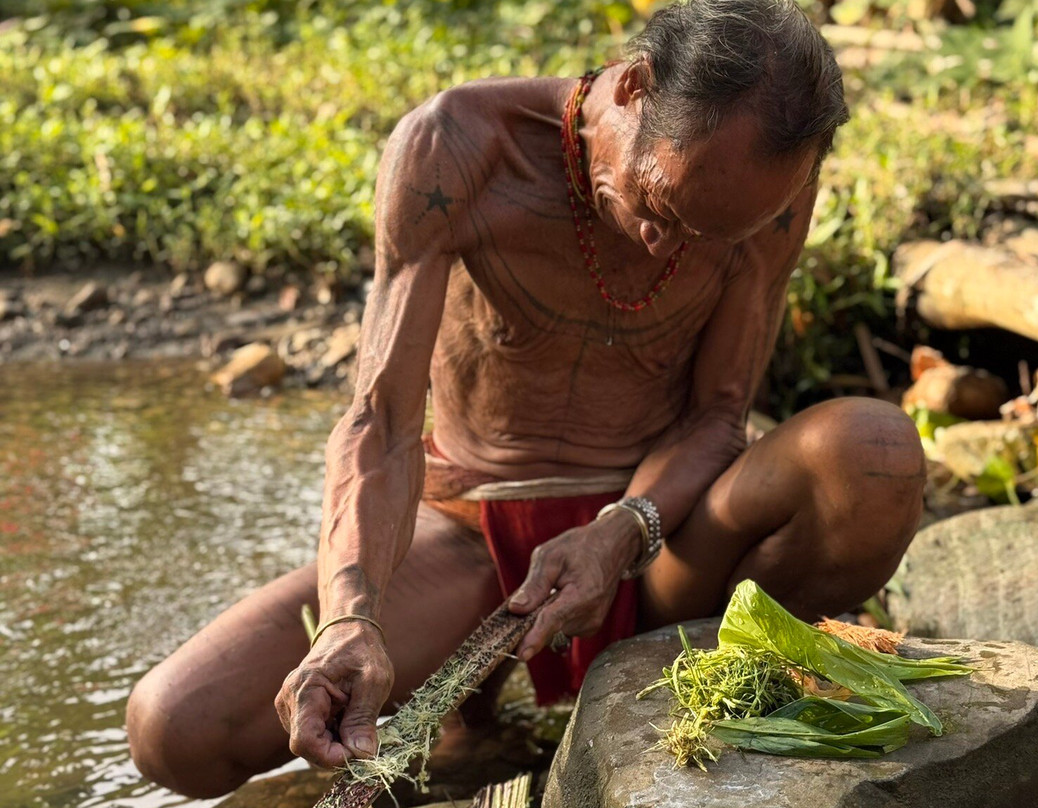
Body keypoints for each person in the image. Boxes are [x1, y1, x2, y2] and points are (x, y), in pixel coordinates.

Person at [126, 0, 925, 797]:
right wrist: (349, 621)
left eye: (709, 235)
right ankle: (471, 721)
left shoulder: (771, 188)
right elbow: (383, 422)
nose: (665, 247)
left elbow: (719, 416)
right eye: (658, 203)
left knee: (874, 454)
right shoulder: (459, 148)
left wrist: (618, 533)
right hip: (475, 531)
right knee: (175, 729)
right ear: (634, 87)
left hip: (664, 539)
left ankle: (702, 689)